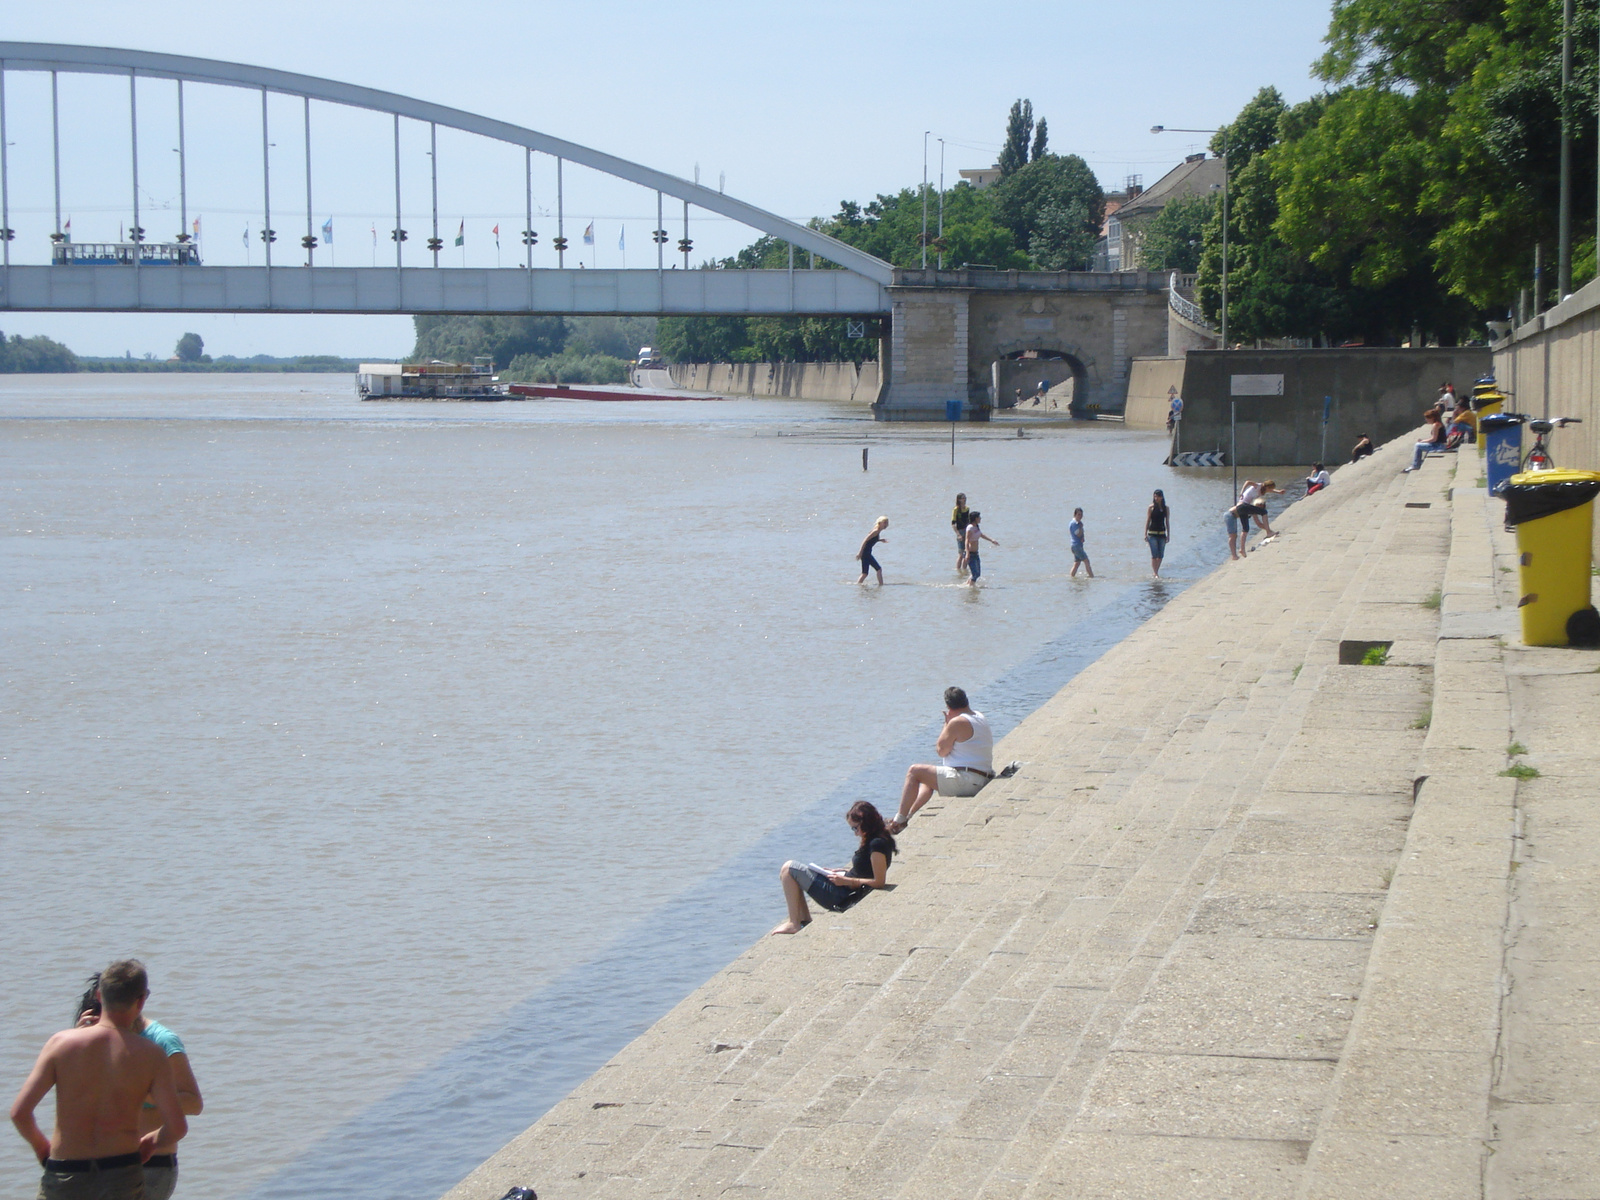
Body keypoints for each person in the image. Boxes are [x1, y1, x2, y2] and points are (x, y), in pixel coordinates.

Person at [11, 960, 187, 1200]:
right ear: (141, 1000)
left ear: (99, 994)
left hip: (66, 1172)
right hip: (122, 1174)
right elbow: (177, 1127)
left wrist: (42, 1149)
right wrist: (151, 1141)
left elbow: (19, 1113)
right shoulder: (150, 1054)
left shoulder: (60, 1044)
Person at [74, 975, 202, 1200]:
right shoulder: (94, 1041)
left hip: (151, 1167)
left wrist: (144, 1090)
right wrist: (76, 1045)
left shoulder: (162, 1041)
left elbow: (193, 1102)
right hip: (101, 1165)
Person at [771, 801, 896, 934]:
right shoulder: (875, 837)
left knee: (789, 869)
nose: (855, 833)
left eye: (856, 828)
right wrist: (843, 872)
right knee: (794, 872)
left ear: (866, 823)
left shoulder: (877, 844)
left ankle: (794, 923)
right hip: (844, 887)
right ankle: (803, 920)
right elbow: (865, 871)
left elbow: (879, 881)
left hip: (842, 896)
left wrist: (846, 881)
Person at [888, 686, 994, 833]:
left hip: (968, 781)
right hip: (981, 775)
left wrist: (946, 723)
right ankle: (907, 818)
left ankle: (898, 820)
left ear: (948, 707)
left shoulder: (957, 722)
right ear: (966, 701)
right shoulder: (979, 716)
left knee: (914, 771)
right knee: (927, 778)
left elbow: (941, 751)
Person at [964, 512, 998, 586]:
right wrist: (967, 554)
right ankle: (971, 589)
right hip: (970, 553)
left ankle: (967, 585)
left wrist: (991, 540)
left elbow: (981, 535)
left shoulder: (976, 527)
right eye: (979, 517)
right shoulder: (970, 528)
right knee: (975, 574)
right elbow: (966, 541)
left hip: (976, 553)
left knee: (978, 574)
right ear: (975, 518)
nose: (980, 519)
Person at [1145, 489, 1171, 576]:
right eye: (1155, 496)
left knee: (1160, 555)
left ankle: (1156, 571)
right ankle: (1155, 572)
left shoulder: (1165, 508)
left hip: (1162, 534)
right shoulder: (1151, 508)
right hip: (1152, 534)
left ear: (1161, 497)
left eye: (1158, 496)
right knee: (1154, 554)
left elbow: (1167, 521)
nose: (1156, 498)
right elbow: (1148, 521)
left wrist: (1168, 535)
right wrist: (1145, 533)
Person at [856, 516, 888, 585]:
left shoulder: (877, 531)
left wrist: (879, 540)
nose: (886, 525)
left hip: (867, 553)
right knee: (878, 569)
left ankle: (858, 586)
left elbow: (871, 540)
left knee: (865, 573)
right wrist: (860, 552)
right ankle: (881, 586)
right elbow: (865, 540)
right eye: (884, 523)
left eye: (887, 523)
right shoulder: (876, 531)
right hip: (865, 553)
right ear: (880, 523)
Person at [1069, 507, 1093, 577]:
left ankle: (1072, 577)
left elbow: (1080, 535)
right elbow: (1078, 534)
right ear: (1075, 515)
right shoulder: (1074, 523)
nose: (1080, 516)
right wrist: (1080, 527)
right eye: (1079, 515)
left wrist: (1082, 537)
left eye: (1081, 515)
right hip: (1076, 546)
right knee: (1086, 561)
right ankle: (1092, 577)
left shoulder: (1078, 523)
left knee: (1077, 563)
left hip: (1077, 545)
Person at [950, 494, 970, 569]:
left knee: (967, 552)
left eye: (965, 498)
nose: (964, 500)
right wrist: (958, 534)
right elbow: (953, 523)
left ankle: (964, 570)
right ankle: (958, 569)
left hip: (967, 531)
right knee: (961, 554)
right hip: (960, 531)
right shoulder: (956, 509)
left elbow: (968, 521)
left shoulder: (967, 509)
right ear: (959, 500)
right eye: (962, 498)